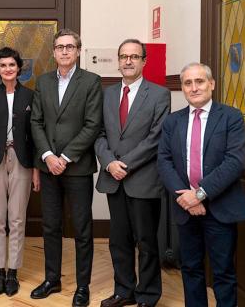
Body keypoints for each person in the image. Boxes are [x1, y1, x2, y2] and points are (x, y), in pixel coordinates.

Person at [158, 62, 245, 307]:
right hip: (185, 209)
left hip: (220, 207)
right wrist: (187, 200)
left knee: (223, 273)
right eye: (188, 83)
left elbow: (236, 162)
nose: (194, 87)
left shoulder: (231, 117)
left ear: (211, 84)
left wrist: (199, 195)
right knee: (190, 268)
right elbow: (164, 161)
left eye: (199, 81)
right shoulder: (172, 121)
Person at [94, 39, 170, 307]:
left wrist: (123, 164)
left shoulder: (160, 94)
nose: (128, 61)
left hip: (143, 180)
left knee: (147, 243)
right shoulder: (108, 94)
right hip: (113, 179)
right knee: (118, 240)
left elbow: (155, 138)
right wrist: (108, 163)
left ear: (144, 61)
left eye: (134, 56)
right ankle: (123, 290)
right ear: (118, 60)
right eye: (124, 56)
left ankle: (148, 295)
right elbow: (99, 133)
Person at [30, 28, 103, 307]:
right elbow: (36, 122)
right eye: (59, 47)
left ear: (78, 51)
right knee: (50, 226)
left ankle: (82, 286)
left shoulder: (91, 81)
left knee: (82, 229)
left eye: (69, 47)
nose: (64, 51)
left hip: (77, 167)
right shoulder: (44, 81)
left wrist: (66, 156)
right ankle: (52, 279)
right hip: (49, 167)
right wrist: (48, 155)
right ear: (53, 52)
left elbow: (92, 124)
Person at [0, 47, 40, 296]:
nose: (8, 69)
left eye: (12, 65)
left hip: (22, 160)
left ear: (19, 68)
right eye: (3, 65)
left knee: (17, 218)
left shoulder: (30, 97)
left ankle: (13, 271)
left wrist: (35, 169)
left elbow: (35, 137)